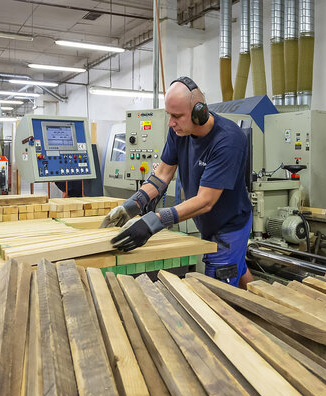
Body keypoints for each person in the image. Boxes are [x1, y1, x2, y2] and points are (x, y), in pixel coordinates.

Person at [101, 76, 254, 288]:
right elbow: (162, 175)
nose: (170, 122)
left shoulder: (228, 140)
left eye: (177, 116)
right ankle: (257, 298)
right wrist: (132, 205)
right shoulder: (179, 131)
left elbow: (205, 201)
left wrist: (154, 222)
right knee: (237, 267)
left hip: (229, 225)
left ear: (200, 112)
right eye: (169, 115)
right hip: (207, 221)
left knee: (218, 288)